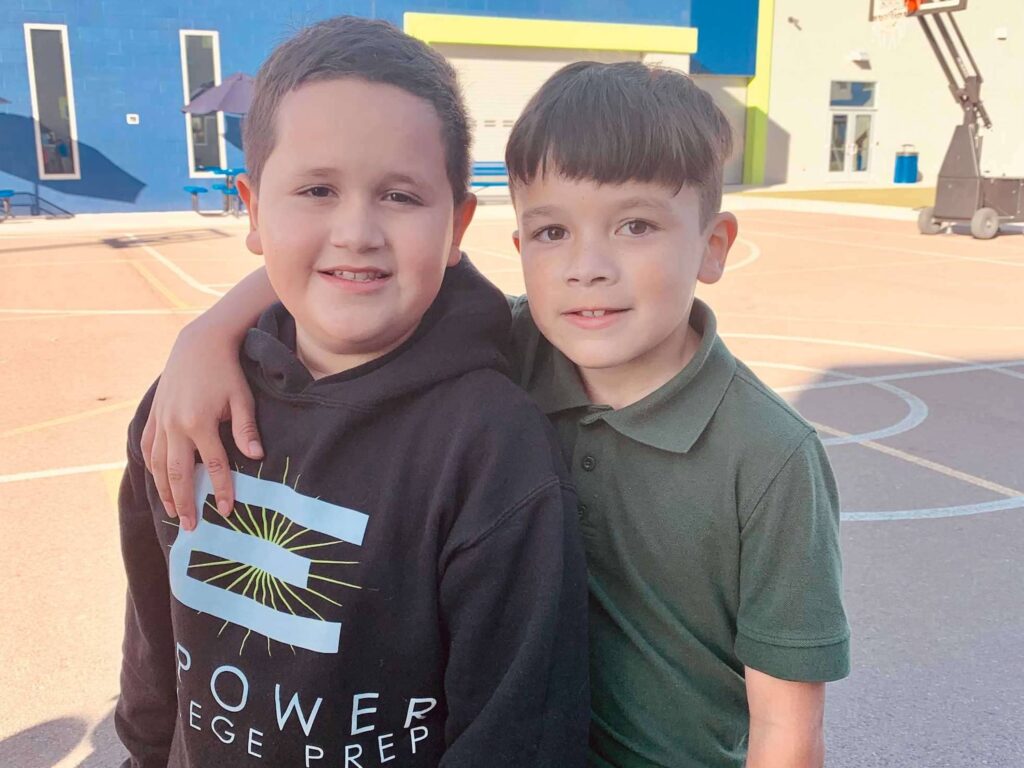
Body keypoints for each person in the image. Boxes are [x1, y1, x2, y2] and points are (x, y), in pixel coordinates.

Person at [141, 59, 850, 767]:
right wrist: (207, 334)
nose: (587, 267)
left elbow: (787, 732)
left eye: (635, 226)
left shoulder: (770, 459)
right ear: (518, 246)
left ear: (714, 247)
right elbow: (347, 272)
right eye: (552, 233)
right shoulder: (505, 342)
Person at [115, 17, 589, 768]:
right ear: (252, 209)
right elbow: (153, 628)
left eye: (400, 195)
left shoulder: (493, 448)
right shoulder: (180, 404)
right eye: (317, 189)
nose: (357, 230)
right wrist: (143, 751)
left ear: (457, 222)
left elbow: (517, 729)